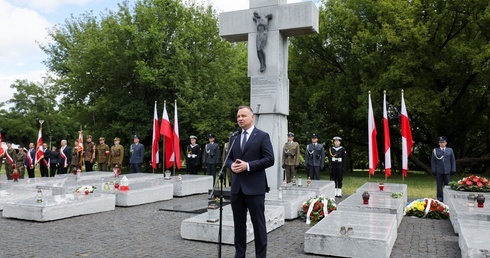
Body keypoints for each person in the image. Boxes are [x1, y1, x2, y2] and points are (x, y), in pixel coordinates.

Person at [226, 105, 274, 258]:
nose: (240, 118)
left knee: (258, 225)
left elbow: (269, 159)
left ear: (252, 117)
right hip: (237, 189)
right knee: (239, 226)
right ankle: (239, 255)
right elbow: (228, 159)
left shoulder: (262, 136)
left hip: (255, 189)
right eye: (238, 116)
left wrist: (248, 166)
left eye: (243, 116)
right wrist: (231, 165)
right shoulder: (234, 137)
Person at [431, 136, 456, 202]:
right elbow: (433, 160)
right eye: (440, 142)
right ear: (439, 143)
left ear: (446, 143)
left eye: (443, 142)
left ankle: (447, 198)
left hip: (447, 170)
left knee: (447, 185)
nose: (442, 143)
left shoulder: (450, 150)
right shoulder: (435, 150)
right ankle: (440, 198)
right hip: (438, 170)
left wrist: (453, 169)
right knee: (439, 185)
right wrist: (433, 169)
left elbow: (452, 160)